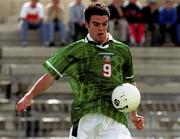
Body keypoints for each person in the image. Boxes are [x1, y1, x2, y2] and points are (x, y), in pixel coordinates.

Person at [16, 2, 144, 139]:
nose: (101, 28)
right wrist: (29, 96)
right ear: (87, 24)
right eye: (96, 24)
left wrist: (133, 114)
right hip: (85, 118)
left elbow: (129, 84)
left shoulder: (122, 50)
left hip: (115, 120)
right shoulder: (75, 50)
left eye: (104, 24)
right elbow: (50, 76)